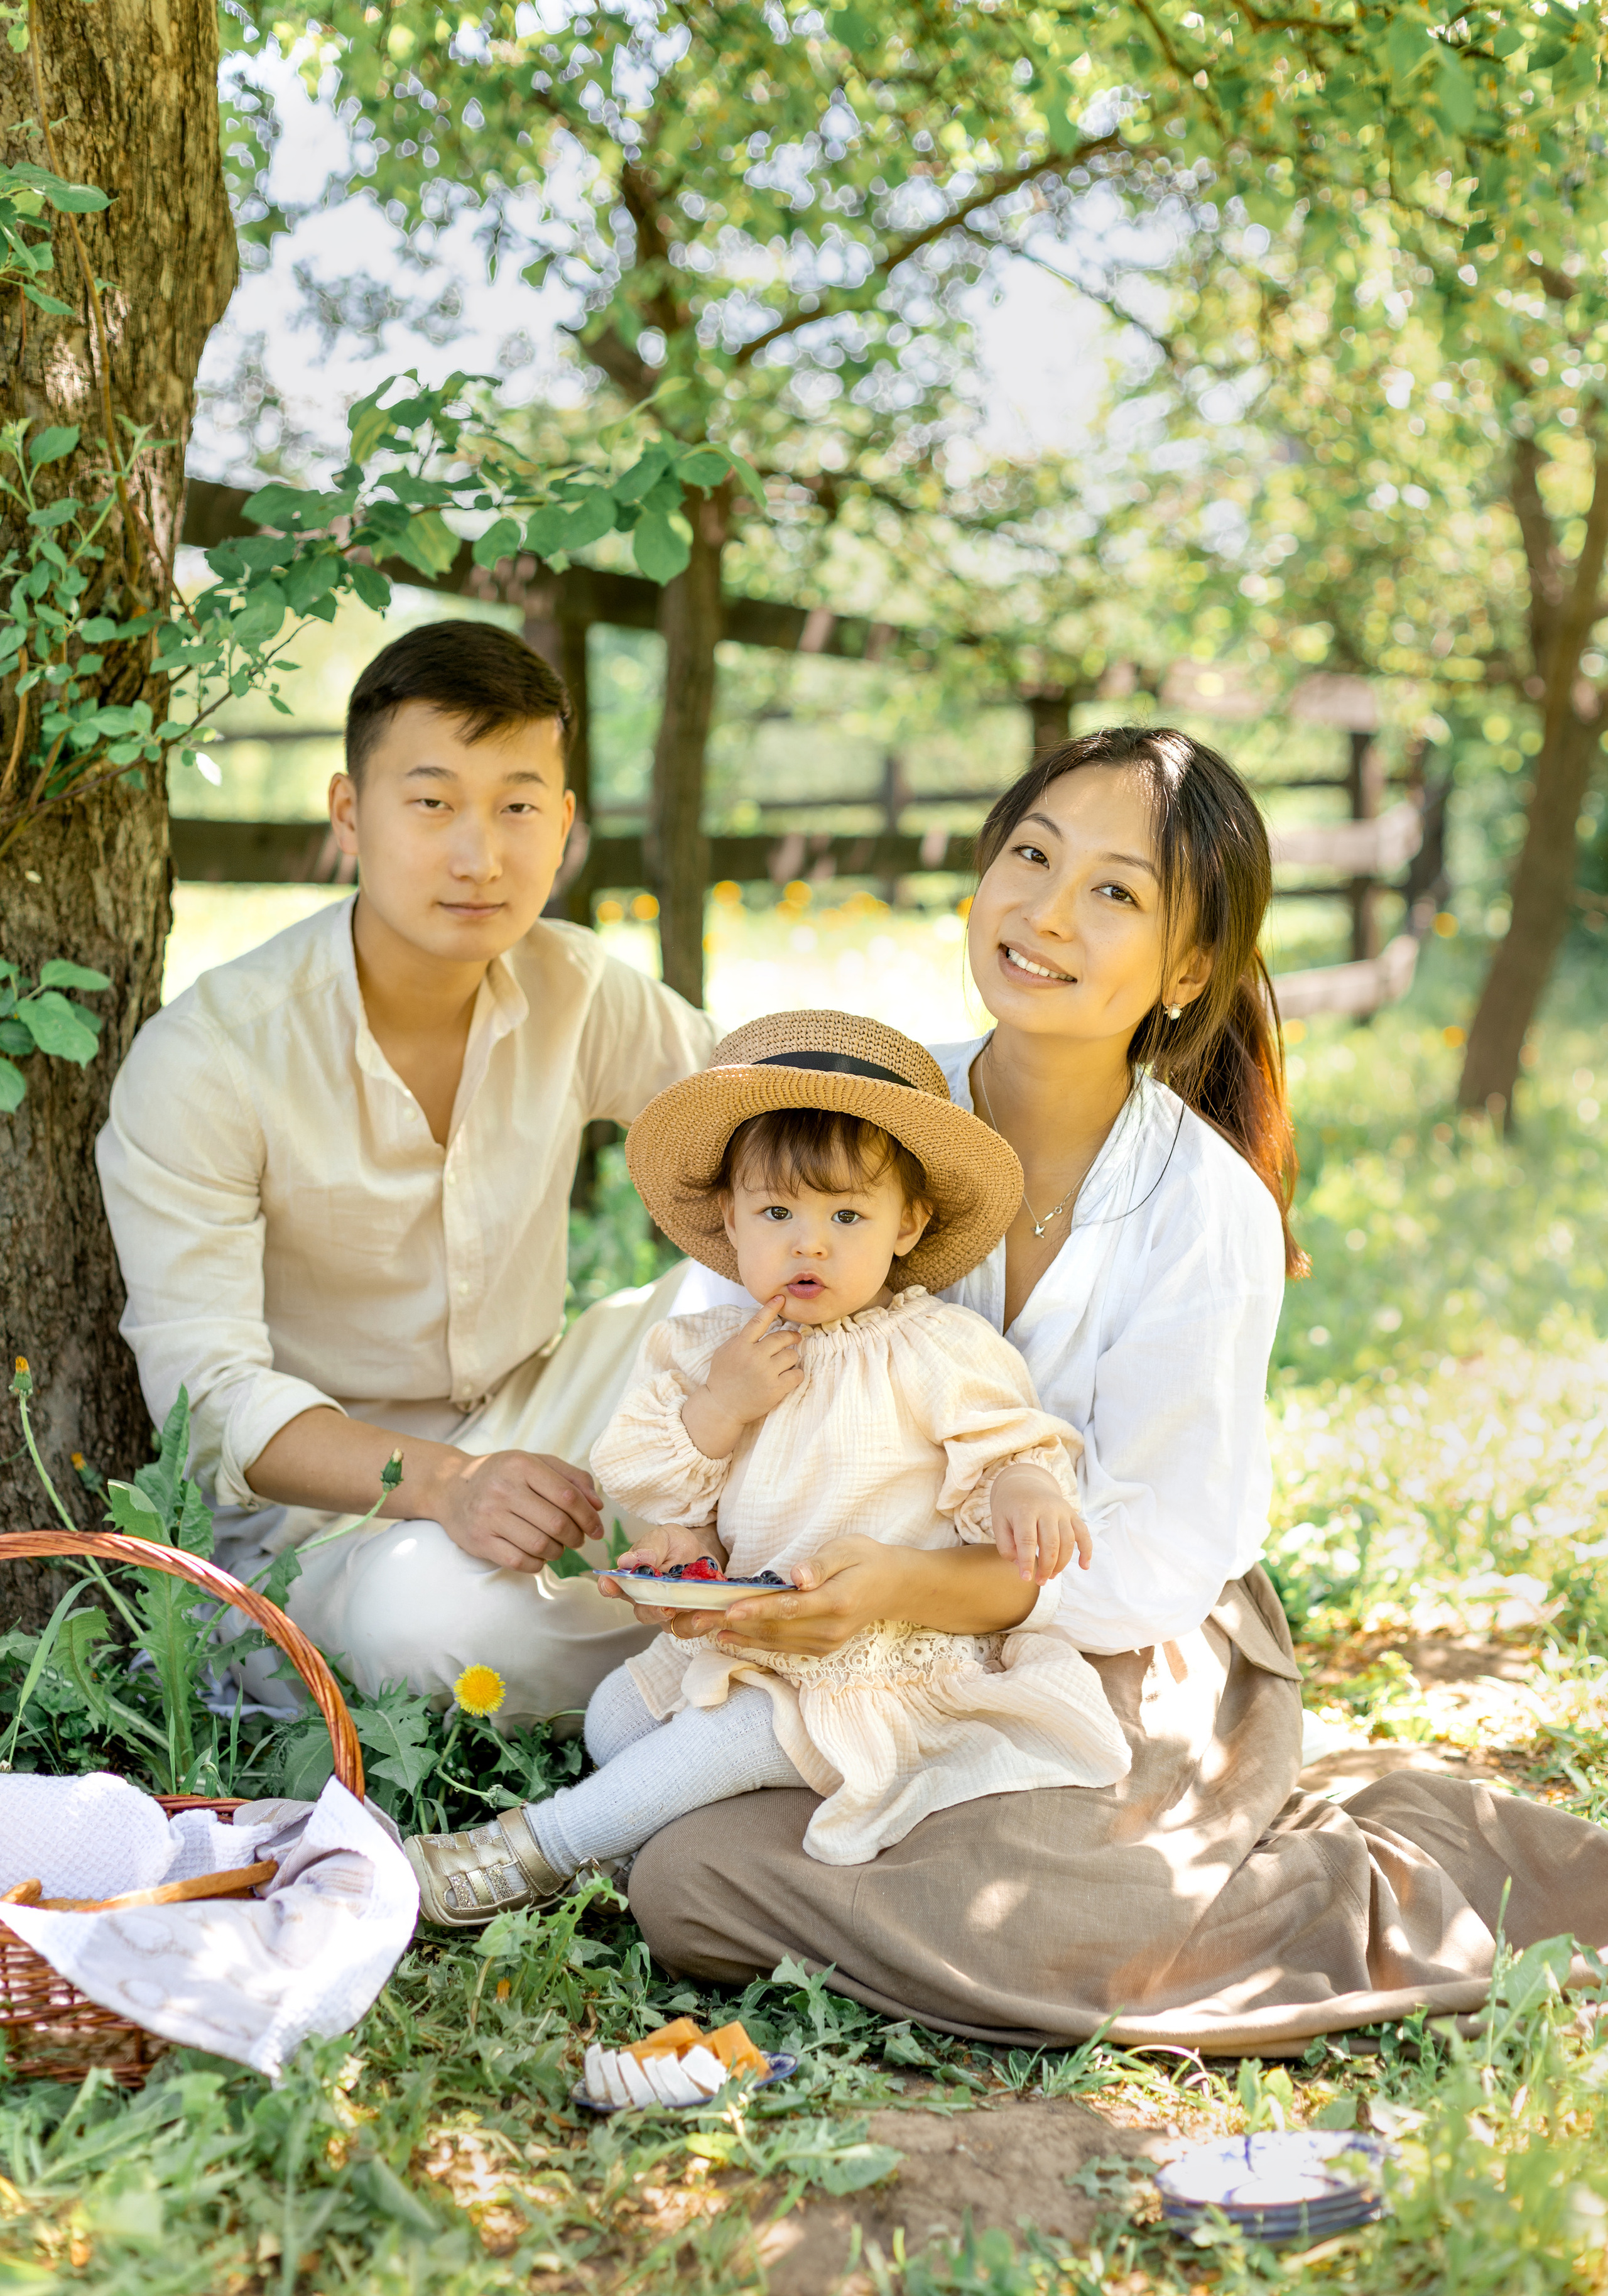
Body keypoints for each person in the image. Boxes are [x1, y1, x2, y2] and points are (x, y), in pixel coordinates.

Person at [621, 726, 1608, 2054]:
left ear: (1185, 968)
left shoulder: (1200, 1204)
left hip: (1124, 1653)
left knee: (933, 1904)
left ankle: (1361, 1886)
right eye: (1029, 855)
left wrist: (915, 1587)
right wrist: (696, 1540)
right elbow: (698, 1363)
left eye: (1115, 891)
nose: (1044, 911)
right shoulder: (848, 1112)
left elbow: (1152, 1560)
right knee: (686, 1875)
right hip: (832, 1642)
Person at [97, 619, 714, 1717]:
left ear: (565, 824)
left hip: (540, 1419)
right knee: (426, 1625)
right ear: (350, 815)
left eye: (518, 806)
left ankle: (736, 1600)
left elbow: (771, 1123)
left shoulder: (577, 986)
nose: (480, 855)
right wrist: (447, 1486)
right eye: (431, 803)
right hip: (332, 1520)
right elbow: (213, 1402)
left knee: (800, 1291)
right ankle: (729, 1649)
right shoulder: (213, 1057)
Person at [405, 1011, 1133, 1926]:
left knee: (730, 1736)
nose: (810, 1243)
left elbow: (1011, 1448)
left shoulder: (936, 1349)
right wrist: (714, 1427)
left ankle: (529, 1852)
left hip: (878, 1654)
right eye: (778, 1212)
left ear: (908, 1224)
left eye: (847, 1215)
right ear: (730, 1219)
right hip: (742, 1639)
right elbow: (648, 1476)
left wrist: (1027, 1488)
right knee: (612, 1723)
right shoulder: (706, 1350)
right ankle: (657, 1815)